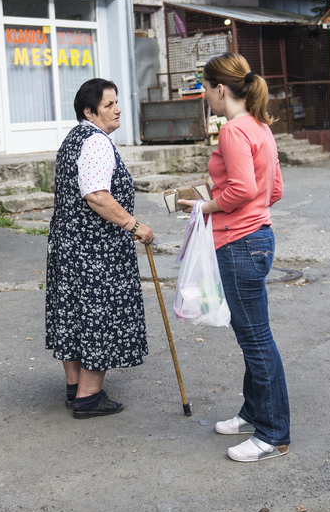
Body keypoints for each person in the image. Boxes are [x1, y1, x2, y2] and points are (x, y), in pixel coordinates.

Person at [178, 52, 290, 462]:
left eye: (205, 88)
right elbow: (271, 190)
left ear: (220, 89)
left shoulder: (232, 130)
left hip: (239, 243)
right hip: (258, 238)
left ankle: (273, 434)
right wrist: (237, 203)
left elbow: (241, 190)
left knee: (256, 340)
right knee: (252, 336)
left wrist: (202, 207)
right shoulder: (260, 126)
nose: (205, 95)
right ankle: (253, 412)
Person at [45, 78, 155, 419]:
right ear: (88, 111)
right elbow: (96, 195)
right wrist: (135, 226)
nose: (117, 108)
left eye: (116, 102)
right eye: (108, 105)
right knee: (99, 315)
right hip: (95, 250)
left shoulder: (74, 139)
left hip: (68, 244)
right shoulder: (95, 142)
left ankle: (75, 387)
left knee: (73, 314)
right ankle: (89, 397)